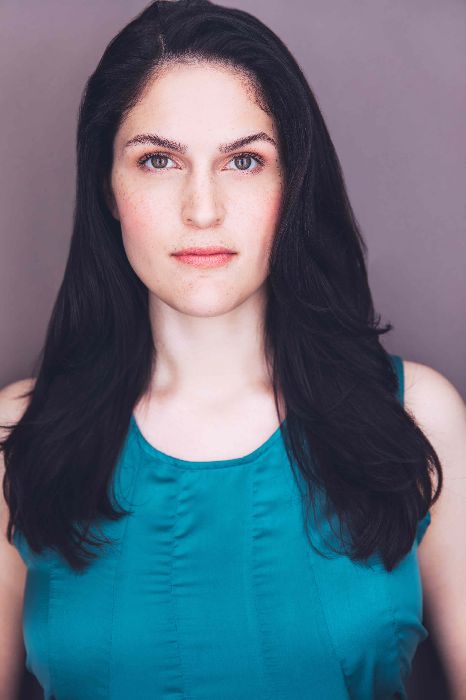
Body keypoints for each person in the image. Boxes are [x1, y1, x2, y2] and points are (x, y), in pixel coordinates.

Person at [1, 1, 465, 698]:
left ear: (293, 182)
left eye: (244, 161)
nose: (203, 209)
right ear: (108, 187)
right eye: (158, 160)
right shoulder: (16, 436)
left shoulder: (418, 418)